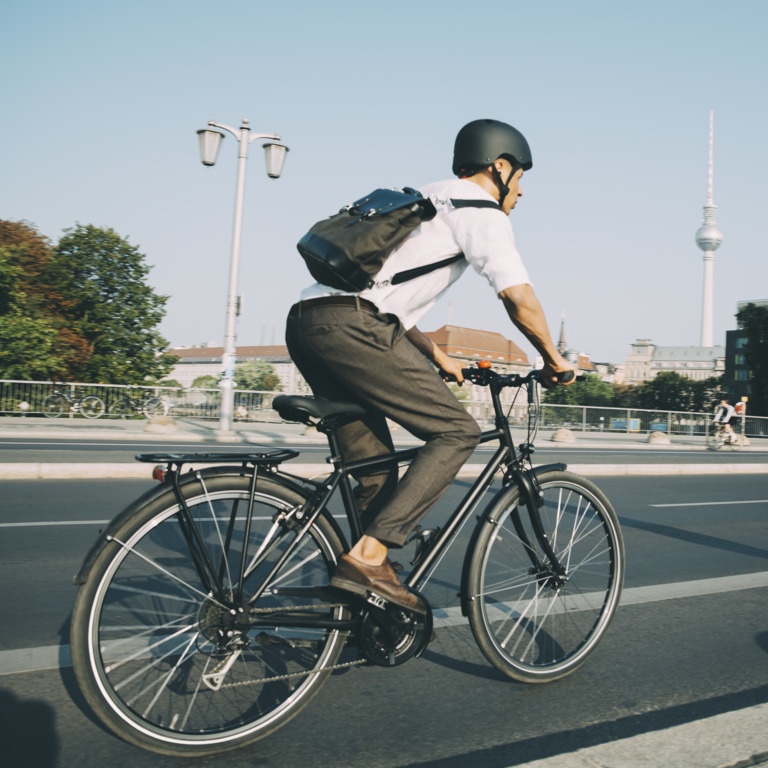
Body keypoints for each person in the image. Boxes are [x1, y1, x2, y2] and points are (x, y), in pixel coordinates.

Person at [285, 118, 576, 614]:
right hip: (356, 330)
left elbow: (379, 290)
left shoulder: (421, 199)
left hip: (309, 323)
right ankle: (369, 560)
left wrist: (435, 354)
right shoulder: (483, 213)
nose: (521, 191)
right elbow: (518, 297)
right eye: (521, 177)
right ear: (499, 166)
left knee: (375, 472)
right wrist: (553, 359)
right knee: (456, 432)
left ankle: (365, 589)